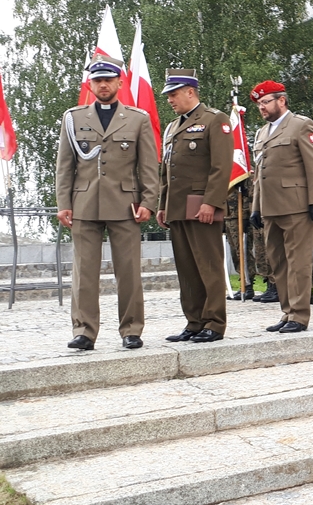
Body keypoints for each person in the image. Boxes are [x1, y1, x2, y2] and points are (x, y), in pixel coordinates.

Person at [55, 53, 159, 350]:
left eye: (108, 80)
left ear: (118, 82)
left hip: (125, 204)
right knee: (84, 274)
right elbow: (65, 165)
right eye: (97, 80)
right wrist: (64, 202)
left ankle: (131, 329)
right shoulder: (73, 118)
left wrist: (148, 201)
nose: (103, 85)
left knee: (128, 272)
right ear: (90, 84)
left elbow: (149, 165)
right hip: (84, 203)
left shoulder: (138, 119)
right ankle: (84, 332)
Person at [157, 69, 234, 343]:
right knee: (187, 269)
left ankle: (214, 322)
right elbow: (166, 169)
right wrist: (162, 203)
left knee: (209, 266)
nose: (169, 100)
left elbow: (221, 166)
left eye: (174, 94)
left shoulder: (215, 120)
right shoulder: (172, 127)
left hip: (201, 205)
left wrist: (211, 202)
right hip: (177, 207)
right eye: (168, 95)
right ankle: (194, 321)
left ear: (191, 91)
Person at [248, 80, 313, 333]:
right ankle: (287, 311)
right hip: (270, 208)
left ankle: (300, 315)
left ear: (281, 100)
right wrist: (256, 207)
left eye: (266, 102)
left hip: (297, 207)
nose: (262, 107)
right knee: (278, 263)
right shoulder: (262, 133)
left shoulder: (301, 125)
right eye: (259, 104)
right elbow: (260, 173)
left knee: (299, 263)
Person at [224, 178, 255, 301]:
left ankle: (248, 285)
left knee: (242, 251)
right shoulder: (226, 170)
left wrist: (246, 214)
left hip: (240, 217)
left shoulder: (243, 171)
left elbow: (249, 195)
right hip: (228, 217)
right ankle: (243, 282)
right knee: (234, 253)